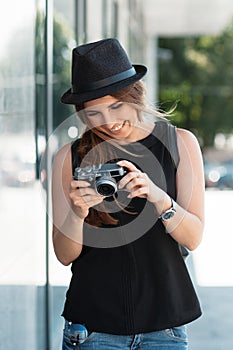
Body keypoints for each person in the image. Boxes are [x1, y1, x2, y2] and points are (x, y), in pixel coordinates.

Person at [52, 38, 205, 350]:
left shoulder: (181, 145)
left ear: (136, 95)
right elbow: (64, 255)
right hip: (93, 330)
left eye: (116, 106)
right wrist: (78, 213)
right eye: (94, 113)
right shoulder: (68, 157)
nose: (109, 123)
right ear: (82, 114)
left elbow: (193, 238)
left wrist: (158, 197)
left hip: (166, 329)